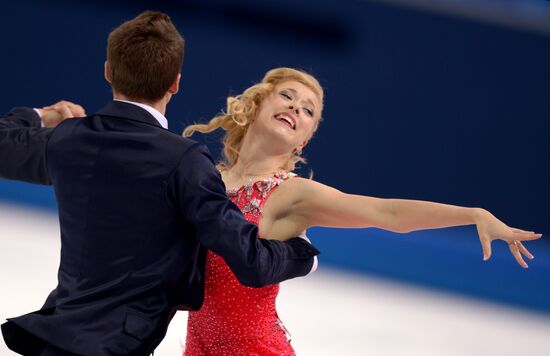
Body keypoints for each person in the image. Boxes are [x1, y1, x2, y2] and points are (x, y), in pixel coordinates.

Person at [0, 14, 319, 356]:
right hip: (119, 347)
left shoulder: (70, 139)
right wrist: (301, 254)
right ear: (175, 83)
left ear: (108, 70)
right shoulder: (185, 161)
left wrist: (40, 114)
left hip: (54, 340)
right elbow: (251, 262)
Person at [182, 67, 543, 355]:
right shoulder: (209, 179)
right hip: (198, 348)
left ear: (304, 139)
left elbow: (389, 215)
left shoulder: (293, 194)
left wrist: (472, 214)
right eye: (287, 96)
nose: (296, 107)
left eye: (308, 110)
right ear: (258, 105)